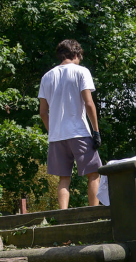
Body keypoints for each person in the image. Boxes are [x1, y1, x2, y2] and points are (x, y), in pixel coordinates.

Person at [38, 40, 102, 208]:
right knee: (93, 174)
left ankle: (63, 217)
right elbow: (89, 103)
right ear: (75, 54)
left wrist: (52, 131)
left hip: (57, 136)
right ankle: (94, 214)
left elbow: (43, 112)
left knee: (63, 179)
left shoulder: (47, 77)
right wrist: (96, 131)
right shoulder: (81, 72)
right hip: (79, 132)